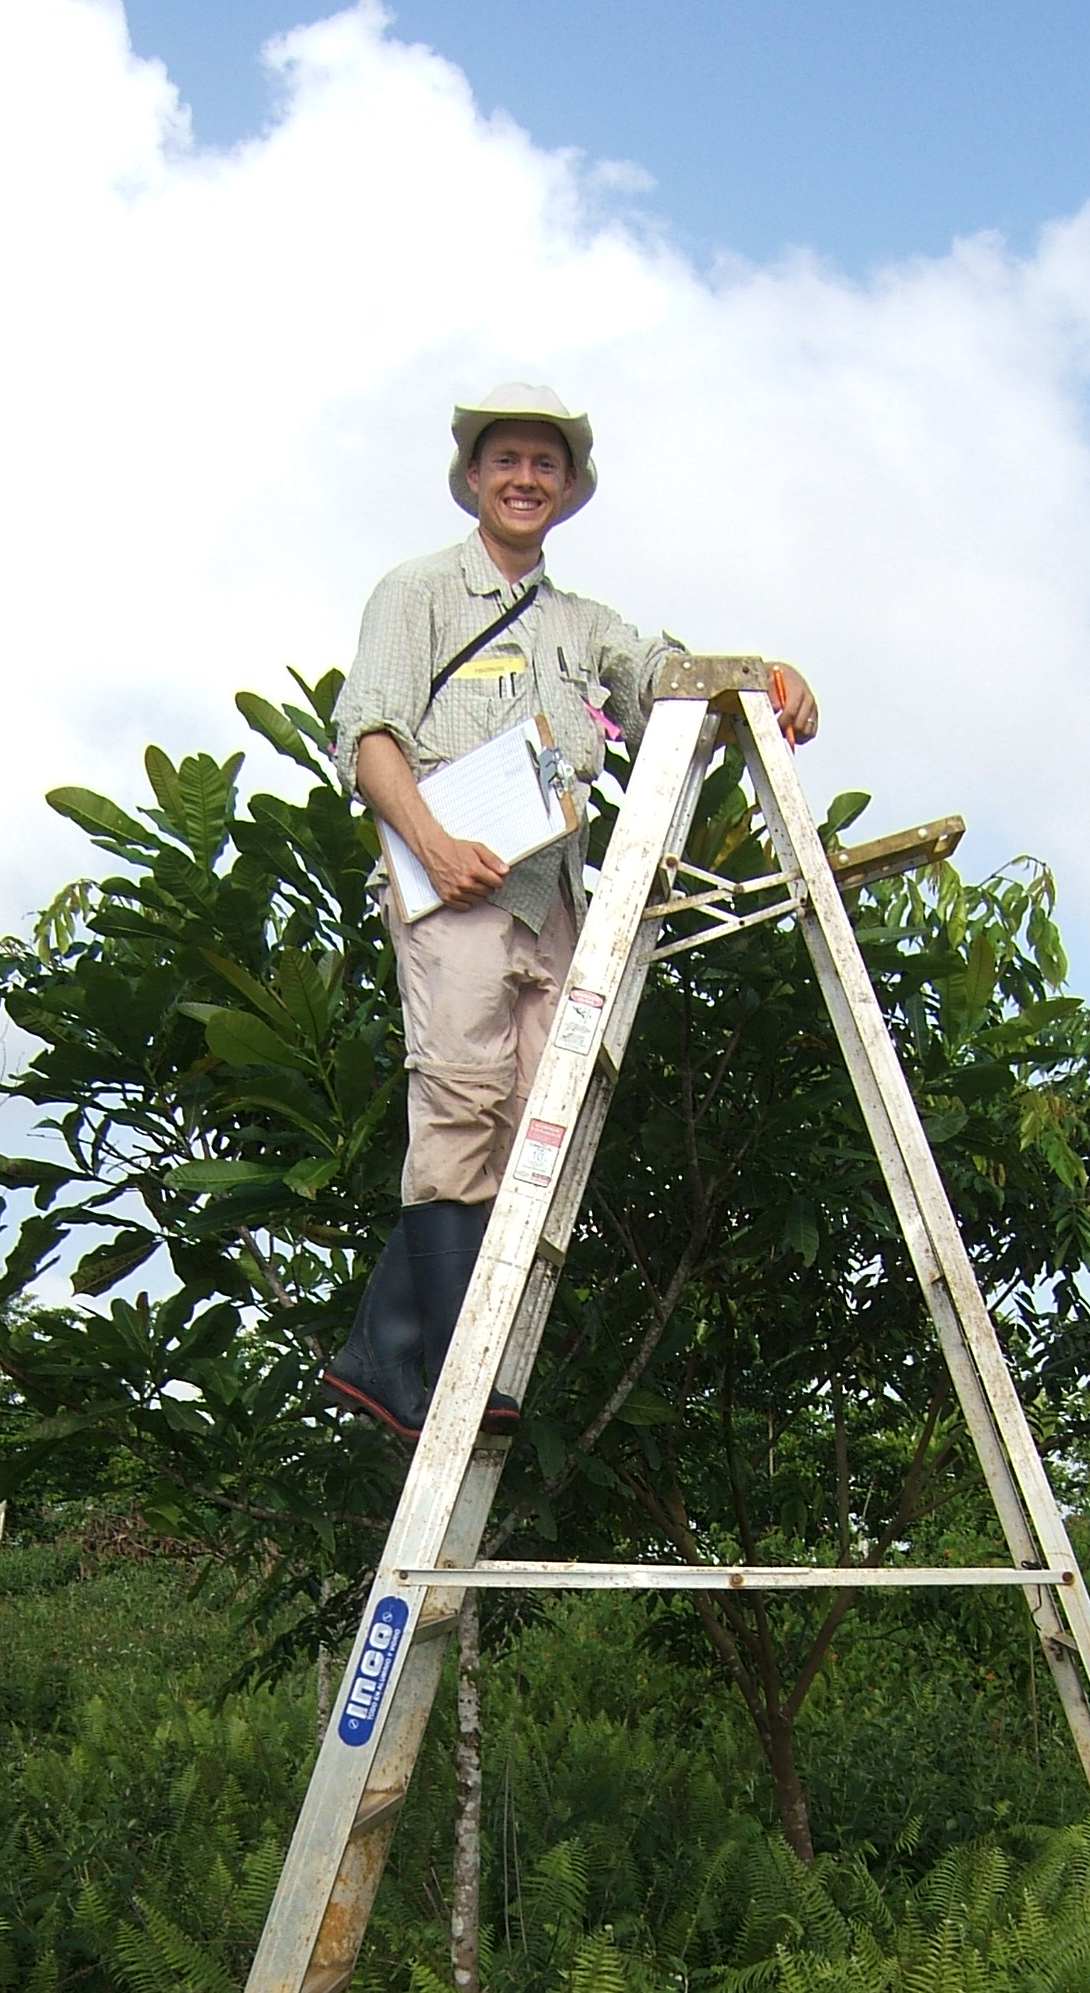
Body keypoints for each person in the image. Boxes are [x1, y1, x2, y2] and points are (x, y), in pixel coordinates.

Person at [321, 382, 818, 1441]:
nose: (524, 480)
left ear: (569, 488)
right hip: (451, 887)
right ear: (472, 476)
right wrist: (434, 844)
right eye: (506, 461)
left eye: (544, 466)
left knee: (531, 1121)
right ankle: (451, 1372)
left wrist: (766, 677)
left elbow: (662, 684)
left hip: (551, 895)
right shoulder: (416, 594)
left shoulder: (583, 624)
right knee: (458, 1099)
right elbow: (368, 736)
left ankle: (385, 1353)